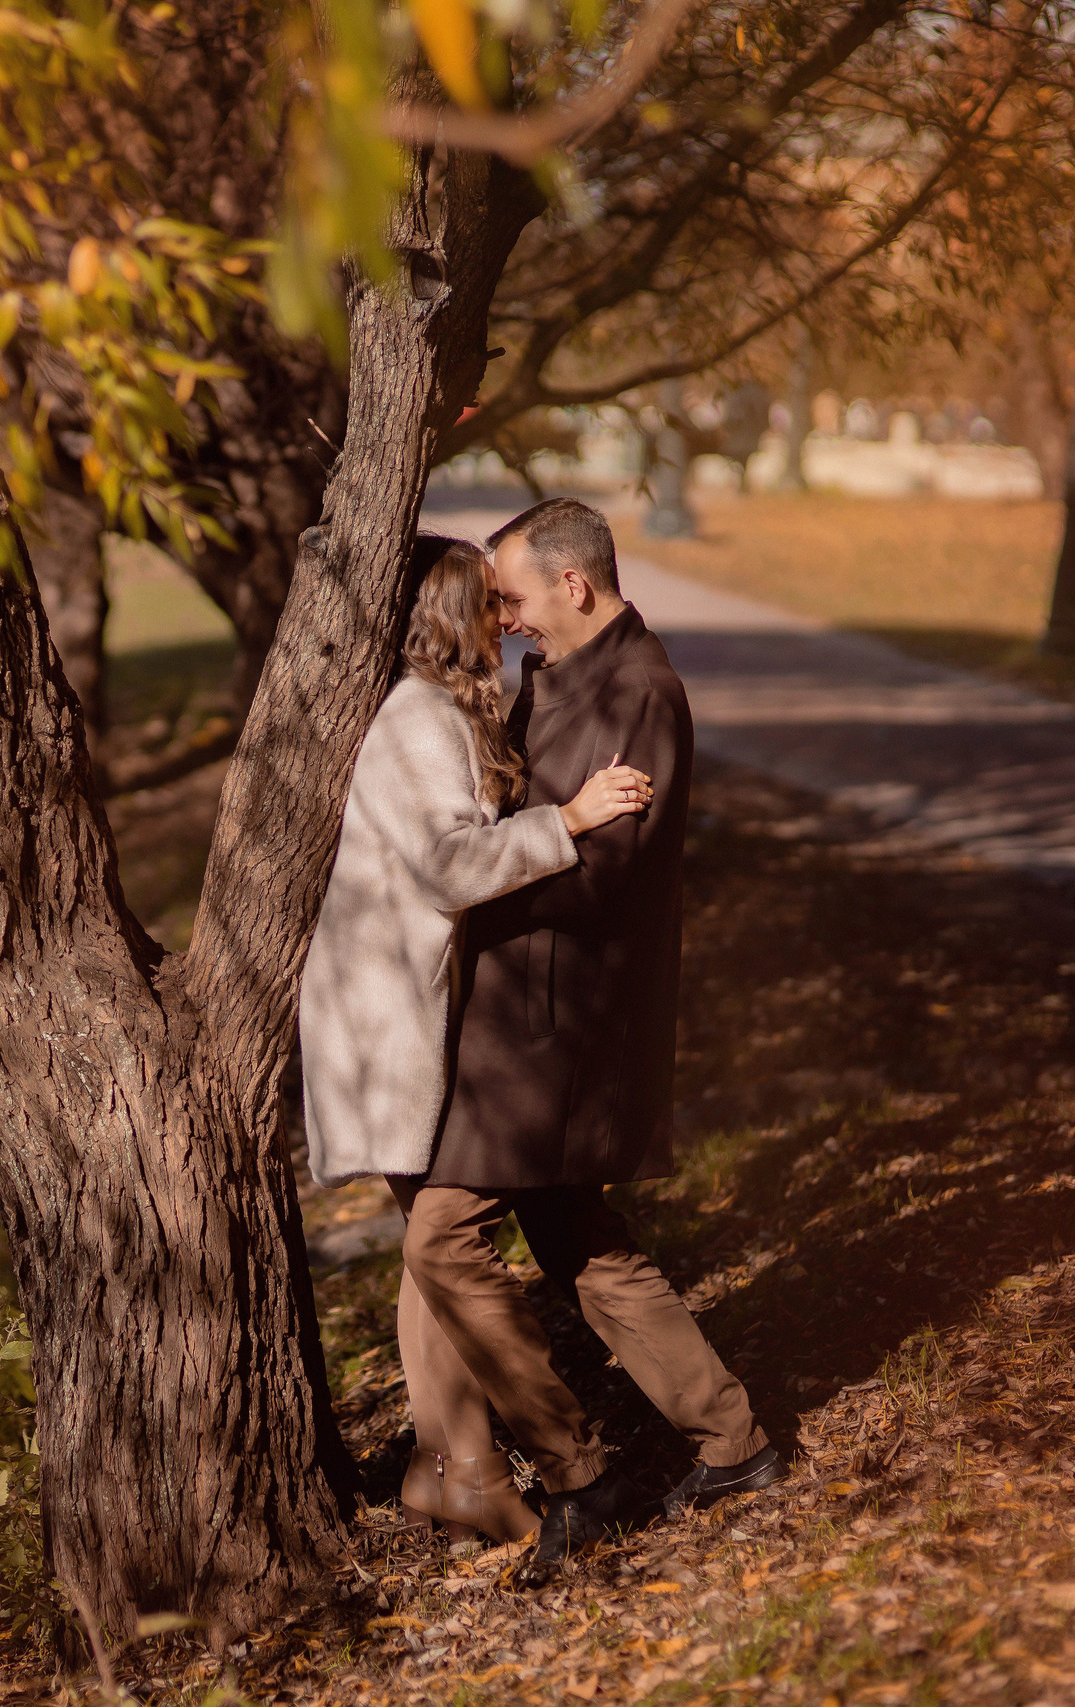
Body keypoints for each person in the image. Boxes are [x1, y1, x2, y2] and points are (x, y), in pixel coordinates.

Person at [420, 497, 783, 1586]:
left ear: (573, 585)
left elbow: (606, 875)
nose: (505, 619)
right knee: (580, 1238)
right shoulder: (555, 677)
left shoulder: (639, 693)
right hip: (517, 1010)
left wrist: (479, 871)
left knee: (442, 1236)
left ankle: (581, 1476)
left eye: (514, 598)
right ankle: (734, 1443)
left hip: (556, 1021)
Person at [298, 532, 658, 1546]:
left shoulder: (440, 709)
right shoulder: (420, 719)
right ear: (453, 615)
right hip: (388, 1018)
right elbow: (448, 866)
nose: (509, 618)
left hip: (401, 1004)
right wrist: (570, 820)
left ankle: (453, 1470)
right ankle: (475, 1470)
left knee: (434, 1247)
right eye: (490, 603)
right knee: (441, 1239)